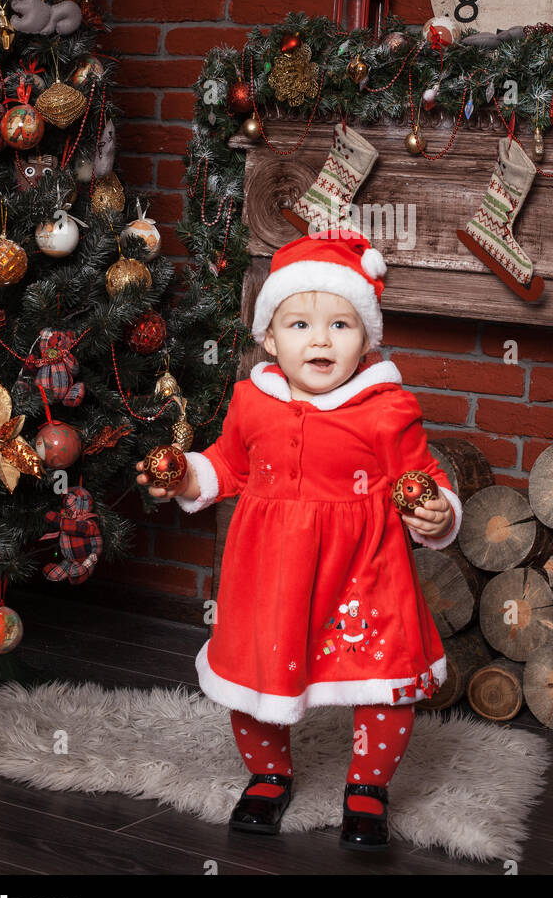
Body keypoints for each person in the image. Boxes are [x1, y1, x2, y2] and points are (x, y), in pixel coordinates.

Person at [135, 230, 462, 850]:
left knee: (385, 675)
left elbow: (425, 482)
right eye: (300, 324)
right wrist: (184, 473)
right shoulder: (251, 403)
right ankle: (267, 775)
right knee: (254, 670)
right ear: (269, 337)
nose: (319, 339)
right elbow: (227, 464)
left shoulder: (385, 408)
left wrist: (434, 513)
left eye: (341, 324)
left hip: (365, 568)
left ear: (367, 339)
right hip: (271, 569)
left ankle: (367, 786)